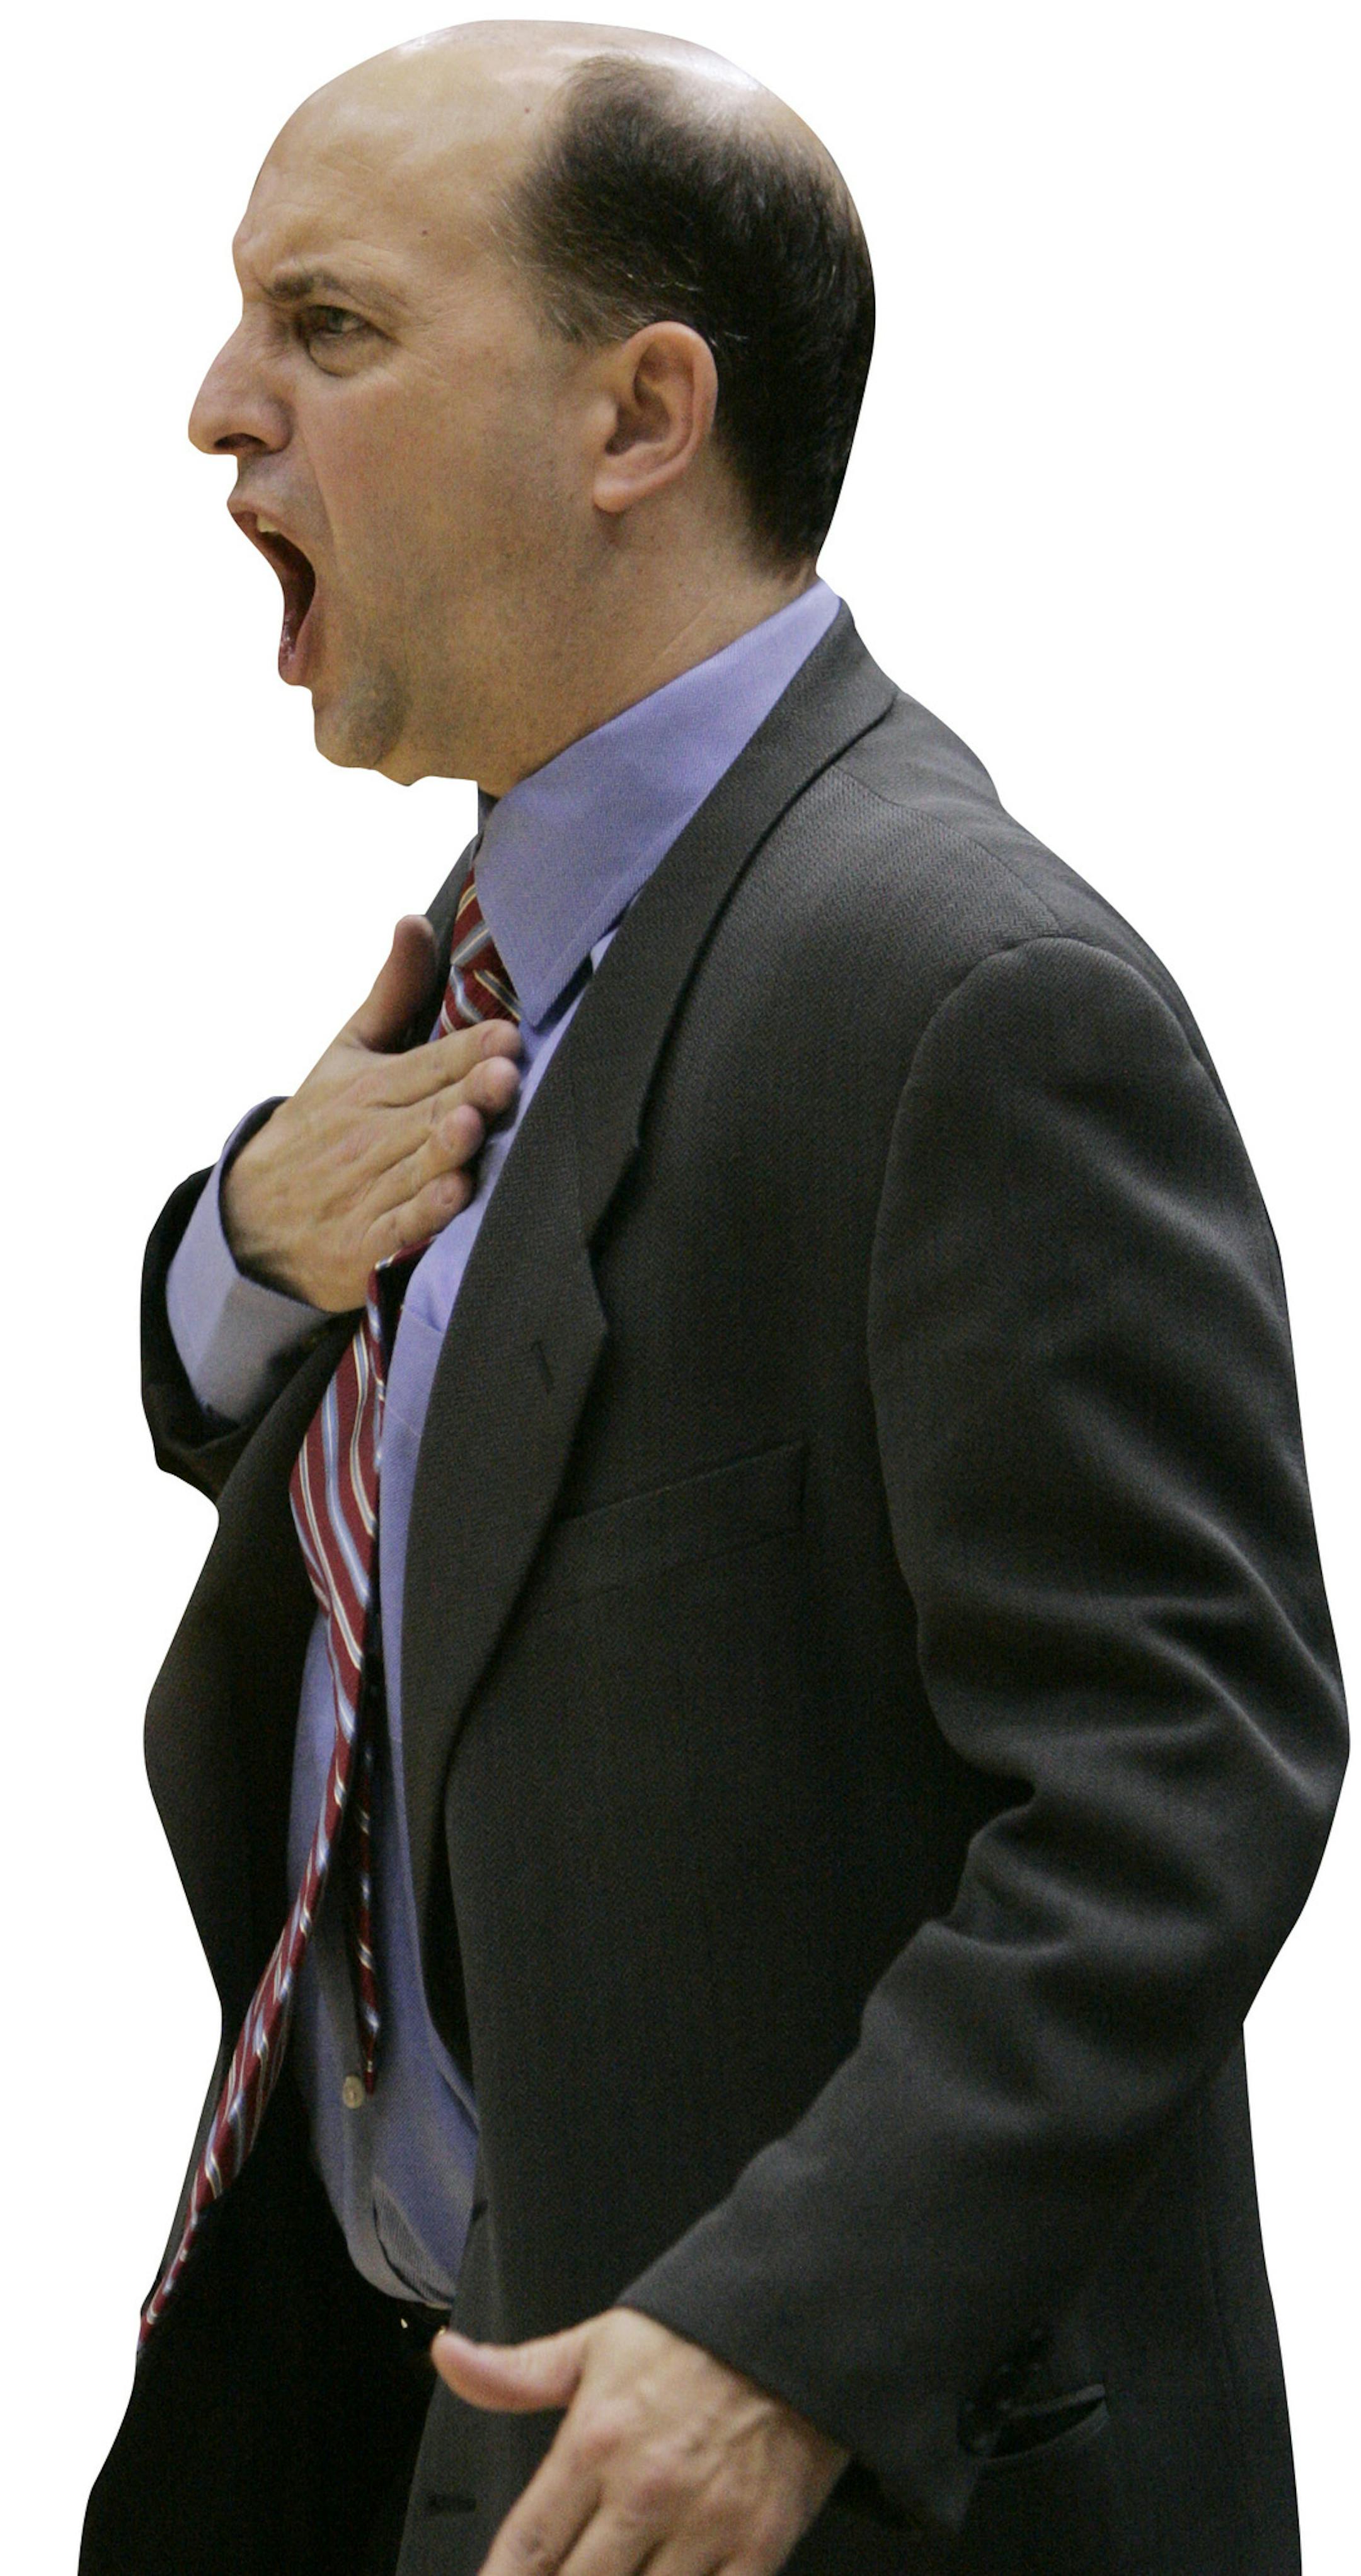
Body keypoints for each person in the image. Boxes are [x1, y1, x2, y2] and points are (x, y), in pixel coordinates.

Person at [83, 20, 1347, 2576]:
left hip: (814, 2499)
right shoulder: (487, 965)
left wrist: (791, 2330)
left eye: (330, 327)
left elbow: (1179, 1760)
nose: (220, 408)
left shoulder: (961, 992)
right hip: (411, 2440)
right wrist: (243, 1246)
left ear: (640, 415)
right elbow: (445, 1513)